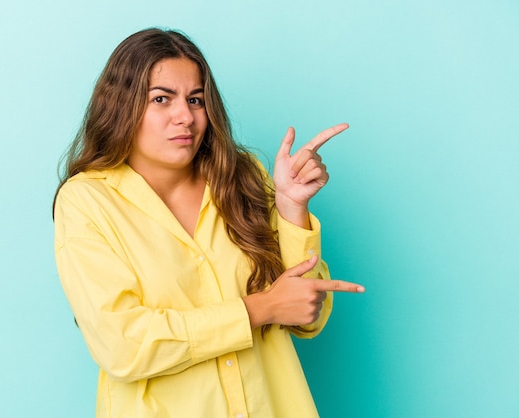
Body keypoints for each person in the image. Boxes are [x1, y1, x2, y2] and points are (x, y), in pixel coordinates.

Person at [53, 27, 365, 418]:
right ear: (121, 105)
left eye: (196, 99)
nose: (185, 116)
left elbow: (308, 319)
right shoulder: (87, 201)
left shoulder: (244, 176)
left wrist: (290, 206)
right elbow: (123, 346)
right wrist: (258, 310)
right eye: (161, 99)